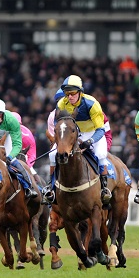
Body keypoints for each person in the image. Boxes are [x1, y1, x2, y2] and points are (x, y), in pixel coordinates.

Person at [55, 75, 112, 206]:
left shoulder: (92, 104)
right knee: (54, 155)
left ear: (80, 92)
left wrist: (90, 141)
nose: (69, 96)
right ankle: (51, 188)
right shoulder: (61, 104)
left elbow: (101, 130)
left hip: (94, 133)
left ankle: (104, 190)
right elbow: (57, 125)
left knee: (100, 155)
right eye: (67, 93)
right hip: (75, 134)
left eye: (73, 93)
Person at [0, 98, 38, 199]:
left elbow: (17, 144)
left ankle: (29, 187)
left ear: (3, 113)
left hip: (7, 137)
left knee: (13, 161)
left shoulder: (11, 120)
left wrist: (10, 156)